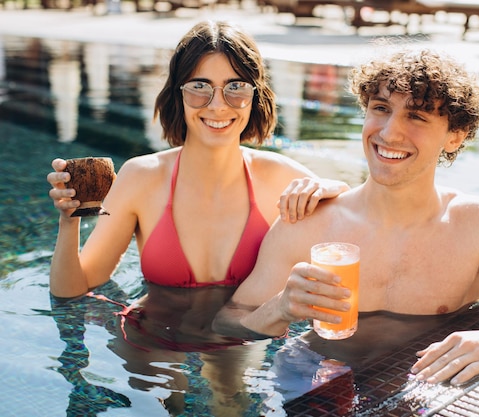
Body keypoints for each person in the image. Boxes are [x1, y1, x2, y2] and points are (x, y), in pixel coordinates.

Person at [213, 47, 479, 387]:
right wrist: (282, 308)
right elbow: (228, 325)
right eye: (380, 108)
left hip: (436, 394)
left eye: (417, 116)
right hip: (315, 387)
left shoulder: (477, 225)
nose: (390, 132)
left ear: (455, 136)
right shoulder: (310, 223)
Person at [46, 20, 348, 299]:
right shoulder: (141, 178)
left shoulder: (282, 179)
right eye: (200, 87)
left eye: (236, 87)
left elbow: (360, 222)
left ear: (255, 96)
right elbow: (74, 290)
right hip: (154, 350)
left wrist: (336, 188)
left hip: (242, 347)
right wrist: (69, 221)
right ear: (178, 94)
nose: (217, 105)